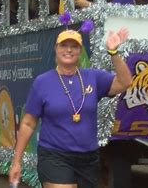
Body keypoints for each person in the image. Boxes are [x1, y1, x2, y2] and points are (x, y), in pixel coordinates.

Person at [8, 28, 132, 188]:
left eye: (74, 46)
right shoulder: (42, 82)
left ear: (80, 51)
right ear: (56, 49)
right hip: (55, 155)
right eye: (63, 45)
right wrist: (16, 162)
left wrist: (113, 52)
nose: (68, 50)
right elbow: (28, 123)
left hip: (88, 159)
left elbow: (125, 82)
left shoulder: (93, 77)